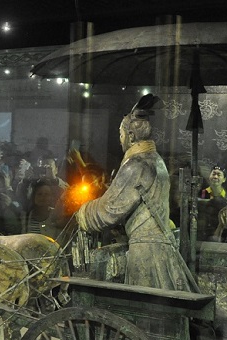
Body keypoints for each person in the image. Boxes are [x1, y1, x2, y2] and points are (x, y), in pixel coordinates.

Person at [74, 94, 193, 291]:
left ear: (130, 136)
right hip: (159, 247)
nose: (120, 140)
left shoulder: (136, 164)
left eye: (121, 134)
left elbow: (109, 210)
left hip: (146, 252)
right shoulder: (155, 160)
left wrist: (83, 214)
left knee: (145, 305)